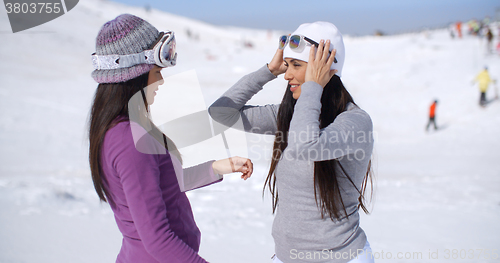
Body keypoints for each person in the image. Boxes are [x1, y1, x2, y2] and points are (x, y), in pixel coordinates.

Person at [88, 14, 253, 263]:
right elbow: (158, 240)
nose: (161, 80)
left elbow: (157, 185)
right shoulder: (129, 140)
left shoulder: (119, 129)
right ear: (133, 76)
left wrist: (216, 167)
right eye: (156, 72)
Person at [209, 22, 374, 263]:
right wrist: (268, 70)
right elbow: (221, 113)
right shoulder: (289, 116)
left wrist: (313, 86)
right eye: (286, 65)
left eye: (296, 65)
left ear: (328, 67)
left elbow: (305, 146)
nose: (287, 75)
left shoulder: (356, 122)